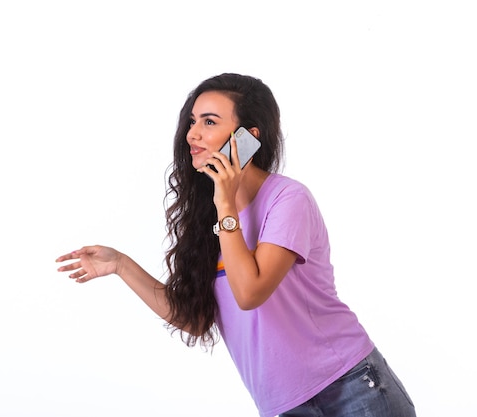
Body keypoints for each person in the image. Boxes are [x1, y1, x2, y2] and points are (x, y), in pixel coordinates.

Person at [55, 73, 416, 417]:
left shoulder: (288, 200)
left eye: (209, 122)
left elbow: (249, 293)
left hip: (349, 386)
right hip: (286, 404)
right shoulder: (205, 214)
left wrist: (226, 205)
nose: (193, 134)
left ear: (247, 137)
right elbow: (195, 320)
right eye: (193, 121)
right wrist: (121, 264)